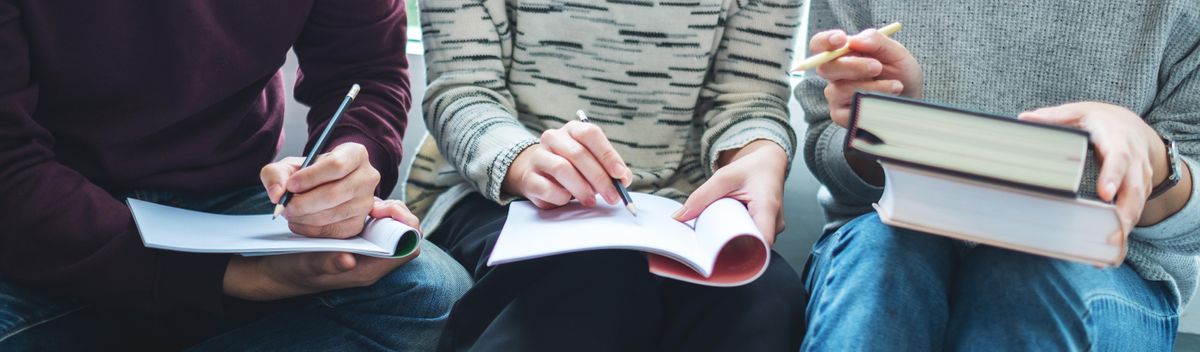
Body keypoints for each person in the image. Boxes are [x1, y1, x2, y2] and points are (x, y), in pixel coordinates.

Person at [0, 1, 471, 350]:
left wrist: (347, 167)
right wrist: (232, 277)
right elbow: (11, 171)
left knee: (432, 293)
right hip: (43, 229)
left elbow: (366, 71)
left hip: (229, 206)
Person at [406, 0, 808, 350]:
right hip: (497, 193)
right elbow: (460, 90)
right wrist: (524, 160)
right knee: (594, 276)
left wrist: (761, 155)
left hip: (684, 209)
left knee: (765, 294)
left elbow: (748, 98)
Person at [796, 1, 1199, 350]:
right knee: (882, 260)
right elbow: (827, 144)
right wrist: (888, 128)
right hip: (886, 236)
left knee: (1021, 281)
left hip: (1111, 270)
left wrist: (1151, 157)